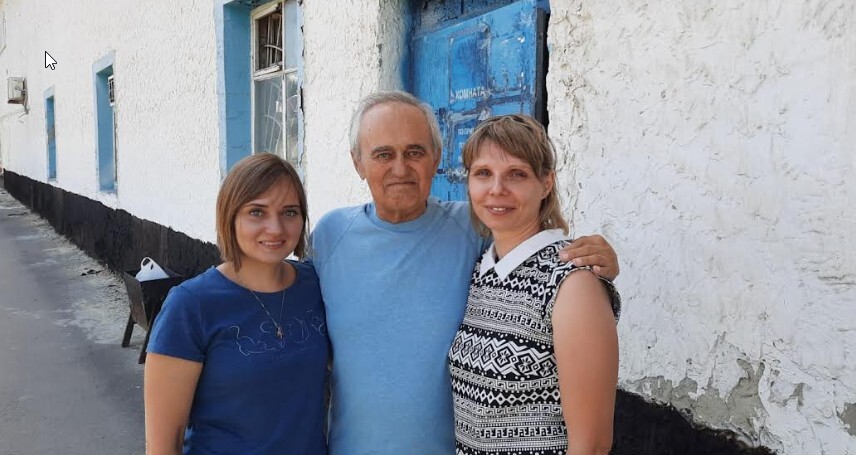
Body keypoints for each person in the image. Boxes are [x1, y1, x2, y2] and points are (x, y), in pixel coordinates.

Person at [310, 91, 620, 454]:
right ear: (357, 163)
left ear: (436, 159)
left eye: (415, 152)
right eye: (383, 154)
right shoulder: (329, 236)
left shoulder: (472, 230)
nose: (400, 168)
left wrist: (598, 264)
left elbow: (533, 244)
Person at [448, 114, 621, 455]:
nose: (497, 189)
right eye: (483, 173)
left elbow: (592, 445)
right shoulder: (480, 269)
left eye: (517, 174)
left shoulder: (572, 283)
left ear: (546, 183)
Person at [144, 153, 328, 454]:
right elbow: (164, 442)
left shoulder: (315, 286)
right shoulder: (191, 305)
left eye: (289, 212)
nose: (276, 228)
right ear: (230, 216)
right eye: (257, 212)